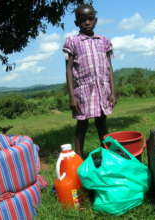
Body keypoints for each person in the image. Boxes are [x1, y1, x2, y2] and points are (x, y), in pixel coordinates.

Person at [63, 4, 116, 157]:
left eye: (90, 19)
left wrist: (113, 92)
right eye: (82, 20)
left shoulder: (104, 41)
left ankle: (107, 156)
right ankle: (78, 158)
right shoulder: (72, 42)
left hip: (102, 89)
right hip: (83, 91)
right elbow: (68, 70)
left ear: (95, 20)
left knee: (102, 123)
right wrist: (72, 96)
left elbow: (109, 68)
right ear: (76, 23)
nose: (87, 22)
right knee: (82, 124)